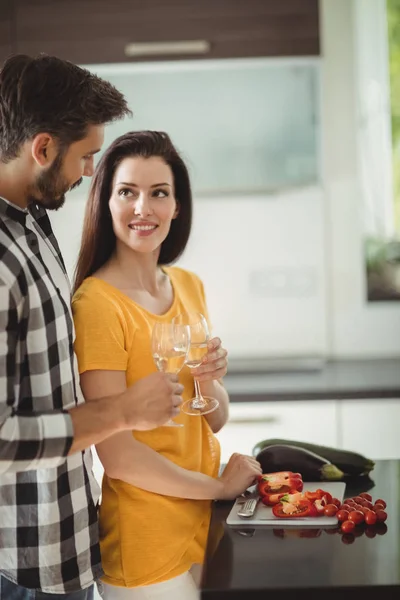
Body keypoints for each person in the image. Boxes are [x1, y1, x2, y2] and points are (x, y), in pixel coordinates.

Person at [0, 55, 185, 600]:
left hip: (70, 540)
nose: (88, 172)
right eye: (85, 156)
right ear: (42, 148)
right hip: (21, 564)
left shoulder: (32, 222)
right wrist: (124, 412)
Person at [71, 130, 262, 600]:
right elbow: (118, 456)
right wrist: (217, 488)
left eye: (159, 193)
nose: (144, 208)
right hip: (147, 541)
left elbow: (212, 420)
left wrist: (210, 381)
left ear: (177, 207)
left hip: (205, 527)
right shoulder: (97, 303)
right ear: (106, 203)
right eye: (127, 192)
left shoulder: (188, 285)